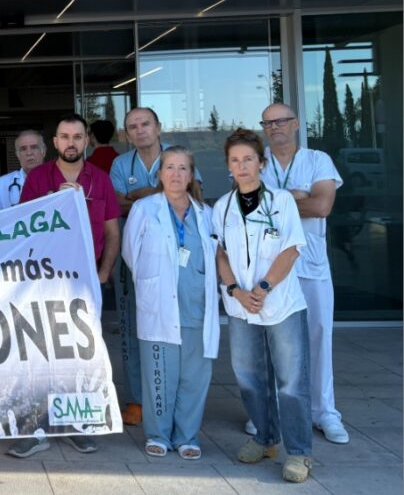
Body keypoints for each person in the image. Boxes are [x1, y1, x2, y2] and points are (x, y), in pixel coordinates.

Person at [12, 113, 119, 458]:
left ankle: (77, 426)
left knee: (81, 355)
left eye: (77, 136)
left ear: (86, 140)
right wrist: (54, 203)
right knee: (39, 355)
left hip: (85, 283)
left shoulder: (100, 180)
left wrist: (103, 274)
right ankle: (35, 428)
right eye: (64, 136)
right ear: (54, 143)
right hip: (44, 282)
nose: (70, 142)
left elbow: (112, 231)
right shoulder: (39, 178)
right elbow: (23, 229)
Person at [213, 128, 313, 482]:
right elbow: (220, 253)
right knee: (250, 378)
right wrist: (236, 291)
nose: (242, 167)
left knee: (291, 382)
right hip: (241, 306)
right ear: (229, 166)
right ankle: (267, 439)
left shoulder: (281, 201)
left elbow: (291, 249)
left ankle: (299, 453)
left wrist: (264, 287)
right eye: (235, 161)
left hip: (280, 303)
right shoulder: (221, 207)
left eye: (248, 159)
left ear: (262, 163)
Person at [258, 103, 348, 445]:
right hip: (270, 266)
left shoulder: (317, 160)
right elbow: (251, 209)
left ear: (295, 123)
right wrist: (297, 197)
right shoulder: (258, 162)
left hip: (311, 265)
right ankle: (273, 411)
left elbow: (322, 206)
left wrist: (277, 203)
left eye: (281, 120)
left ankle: (324, 412)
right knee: (270, 342)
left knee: (318, 336)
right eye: (268, 122)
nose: (275, 126)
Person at [122, 146, 219, 460]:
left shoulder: (206, 214)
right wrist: (152, 282)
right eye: (170, 168)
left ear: (192, 175)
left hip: (196, 306)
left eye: (183, 168)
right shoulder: (145, 209)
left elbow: (217, 256)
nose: (176, 174)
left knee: (194, 376)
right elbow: (130, 253)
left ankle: (187, 436)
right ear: (160, 173)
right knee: (159, 375)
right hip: (159, 306)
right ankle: (159, 434)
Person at [108, 107, 202, 427]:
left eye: (145, 124)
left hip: (178, 258)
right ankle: (137, 399)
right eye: (132, 126)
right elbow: (117, 203)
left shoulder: (177, 157)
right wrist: (161, 194)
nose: (140, 130)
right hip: (134, 258)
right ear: (127, 133)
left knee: (179, 328)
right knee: (135, 329)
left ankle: (173, 398)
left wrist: (140, 195)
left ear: (158, 126)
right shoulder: (122, 164)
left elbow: (191, 195)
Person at [0, 130, 45, 214]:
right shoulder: (0, 186)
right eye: (23, 149)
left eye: (34, 147)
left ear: (43, 151)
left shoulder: (57, 178)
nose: (29, 153)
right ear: (17, 154)